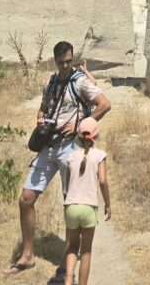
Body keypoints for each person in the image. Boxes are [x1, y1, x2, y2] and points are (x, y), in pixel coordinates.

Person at [5, 41, 111, 277]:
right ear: (54, 61)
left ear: (72, 59)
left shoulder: (80, 82)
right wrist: (41, 122)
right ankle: (28, 255)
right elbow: (43, 108)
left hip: (70, 148)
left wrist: (81, 126)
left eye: (68, 61)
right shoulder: (51, 82)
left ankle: (67, 263)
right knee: (26, 199)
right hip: (49, 146)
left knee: (70, 202)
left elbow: (104, 105)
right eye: (61, 62)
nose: (65, 66)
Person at [61, 116, 111, 285]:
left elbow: (68, 184)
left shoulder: (71, 156)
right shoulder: (100, 155)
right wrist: (108, 204)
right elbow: (103, 181)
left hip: (71, 207)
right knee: (86, 251)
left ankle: (68, 281)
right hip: (89, 207)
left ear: (79, 136)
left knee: (72, 247)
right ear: (95, 135)